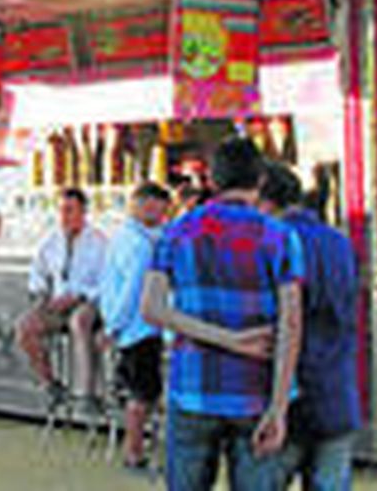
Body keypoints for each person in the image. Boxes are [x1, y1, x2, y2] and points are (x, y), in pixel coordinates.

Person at [142, 138, 302, 491]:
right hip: (256, 395)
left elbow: (151, 308)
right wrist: (279, 407)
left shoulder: (177, 232)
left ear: (211, 181)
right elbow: (291, 324)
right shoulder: (279, 237)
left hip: (193, 391)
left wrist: (224, 339)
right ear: (260, 180)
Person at [259, 165, 360, 491]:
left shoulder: (275, 243)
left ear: (264, 200)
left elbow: (281, 319)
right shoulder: (339, 242)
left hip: (288, 391)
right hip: (337, 385)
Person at [97, 182, 171, 471]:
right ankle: (134, 452)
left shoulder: (128, 237)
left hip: (131, 327)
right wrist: (113, 326)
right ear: (142, 205)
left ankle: (135, 449)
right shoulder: (139, 244)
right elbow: (132, 290)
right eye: (156, 205)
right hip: (141, 328)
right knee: (143, 395)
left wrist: (112, 324)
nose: (162, 212)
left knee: (139, 393)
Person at [16, 188, 107, 410]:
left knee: (80, 321)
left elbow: (107, 283)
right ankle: (50, 383)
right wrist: (41, 296)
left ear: (83, 212)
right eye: (62, 211)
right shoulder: (51, 240)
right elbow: (37, 272)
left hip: (88, 303)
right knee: (25, 327)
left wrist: (79, 295)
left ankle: (85, 392)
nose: (64, 216)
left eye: (70, 210)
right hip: (57, 304)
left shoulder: (99, 242)